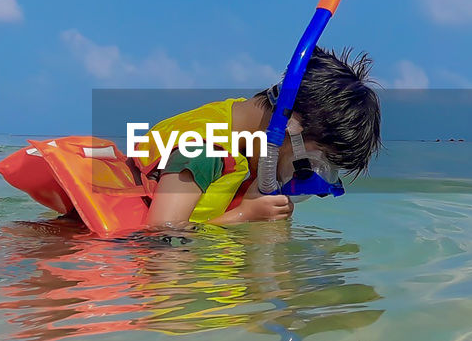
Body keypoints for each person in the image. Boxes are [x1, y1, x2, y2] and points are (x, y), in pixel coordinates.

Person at [140, 47, 381, 228]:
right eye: (312, 166)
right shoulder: (203, 152)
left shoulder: (250, 141)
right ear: (289, 124)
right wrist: (244, 215)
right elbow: (162, 235)